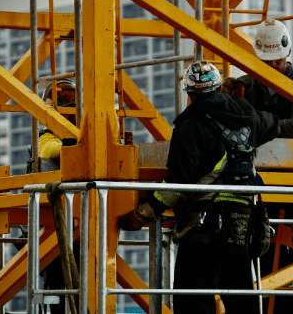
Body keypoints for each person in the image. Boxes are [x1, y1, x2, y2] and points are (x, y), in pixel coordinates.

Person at [119, 61, 280, 314]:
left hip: (204, 229)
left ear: (190, 94)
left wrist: (144, 214)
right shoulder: (248, 118)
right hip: (242, 227)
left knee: (193, 299)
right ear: (218, 88)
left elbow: (178, 184)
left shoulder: (190, 127)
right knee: (241, 301)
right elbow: (275, 124)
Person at [228, 19, 293, 314]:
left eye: (277, 61)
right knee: (260, 248)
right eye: (267, 62)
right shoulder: (246, 85)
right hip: (259, 177)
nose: (272, 67)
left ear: (287, 53)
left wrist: (254, 124)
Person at [24, 78, 78, 314]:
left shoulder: (79, 134)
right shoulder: (46, 138)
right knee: (60, 288)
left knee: (78, 287)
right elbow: (52, 152)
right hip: (56, 228)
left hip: (78, 224)